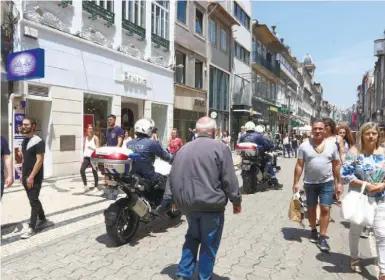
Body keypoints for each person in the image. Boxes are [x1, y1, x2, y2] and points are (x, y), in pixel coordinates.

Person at [164, 116, 242, 280]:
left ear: (197, 131)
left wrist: (172, 199)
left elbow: (172, 175)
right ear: (213, 132)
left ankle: (183, 273)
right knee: (209, 242)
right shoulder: (220, 148)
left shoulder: (183, 148)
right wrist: (236, 200)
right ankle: (204, 277)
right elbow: (229, 178)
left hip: (188, 205)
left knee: (192, 237)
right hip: (211, 205)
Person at [341, 122, 385, 278]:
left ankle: (383, 270)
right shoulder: (355, 152)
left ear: (378, 135)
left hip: (380, 198)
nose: (371, 136)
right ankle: (354, 257)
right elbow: (345, 175)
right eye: (367, 133)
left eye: (374, 133)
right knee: (356, 230)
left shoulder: (384, 152)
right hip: (360, 197)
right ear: (362, 135)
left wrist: (382, 185)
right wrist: (365, 184)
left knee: (381, 233)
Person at [293, 119, 342, 252]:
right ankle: (314, 229)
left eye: (320, 128)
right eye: (315, 128)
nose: (318, 131)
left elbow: (336, 165)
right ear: (312, 130)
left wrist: (339, 183)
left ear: (325, 129)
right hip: (309, 183)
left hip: (327, 182)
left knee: (325, 208)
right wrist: (296, 182)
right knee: (311, 208)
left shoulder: (332, 145)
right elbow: (299, 165)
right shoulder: (304, 145)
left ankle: (323, 236)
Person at [126, 118, 173, 217]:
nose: (153, 132)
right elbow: (165, 156)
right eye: (152, 129)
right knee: (170, 180)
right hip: (149, 177)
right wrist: (176, 158)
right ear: (146, 129)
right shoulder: (151, 143)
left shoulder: (129, 143)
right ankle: (161, 208)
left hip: (132, 175)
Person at [20, 117, 47, 239]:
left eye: (26, 124)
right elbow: (24, 159)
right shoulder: (25, 141)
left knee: (33, 200)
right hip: (26, 175)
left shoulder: (39, 141)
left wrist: (31, 177)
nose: (23, 126)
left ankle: (32, 227)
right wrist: (21, 174)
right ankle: (42, 217)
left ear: (33, 126)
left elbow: (39, 160)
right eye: (23, 124)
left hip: (34, 176)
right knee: (33, 199)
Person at [240, 121, 283, 189]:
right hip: (257, 158)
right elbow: (266, 145)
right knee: (268, 162)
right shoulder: (258, 136)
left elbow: (240, 145)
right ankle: (275, 182)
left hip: (245, 157)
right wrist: (265, 148)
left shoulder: (242, 136)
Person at [105, 114, 124, 199]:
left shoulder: (119, 129)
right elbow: (107, 142)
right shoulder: (108, 130)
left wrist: (115, 152)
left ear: (114, 120)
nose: (109, 121)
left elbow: (119, 142)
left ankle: (115, 190)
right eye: (108, 119)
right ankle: (110, 189)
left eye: (111, 119)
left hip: (115, 155)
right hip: (108, 154)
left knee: (115, 173)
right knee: (108, 172)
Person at [80, 125, 100, 191]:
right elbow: (84, 148)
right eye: (89, 129)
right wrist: (82, 157)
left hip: (94, 157)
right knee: (82, 170)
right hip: (86, 157)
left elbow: (98, 149)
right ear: (87, 130)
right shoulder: (85, 138)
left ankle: (96, 187)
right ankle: (85, 186)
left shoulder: (95, 138)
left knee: (94, 171)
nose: (90, 130)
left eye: (91, 129)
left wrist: (92, 148)